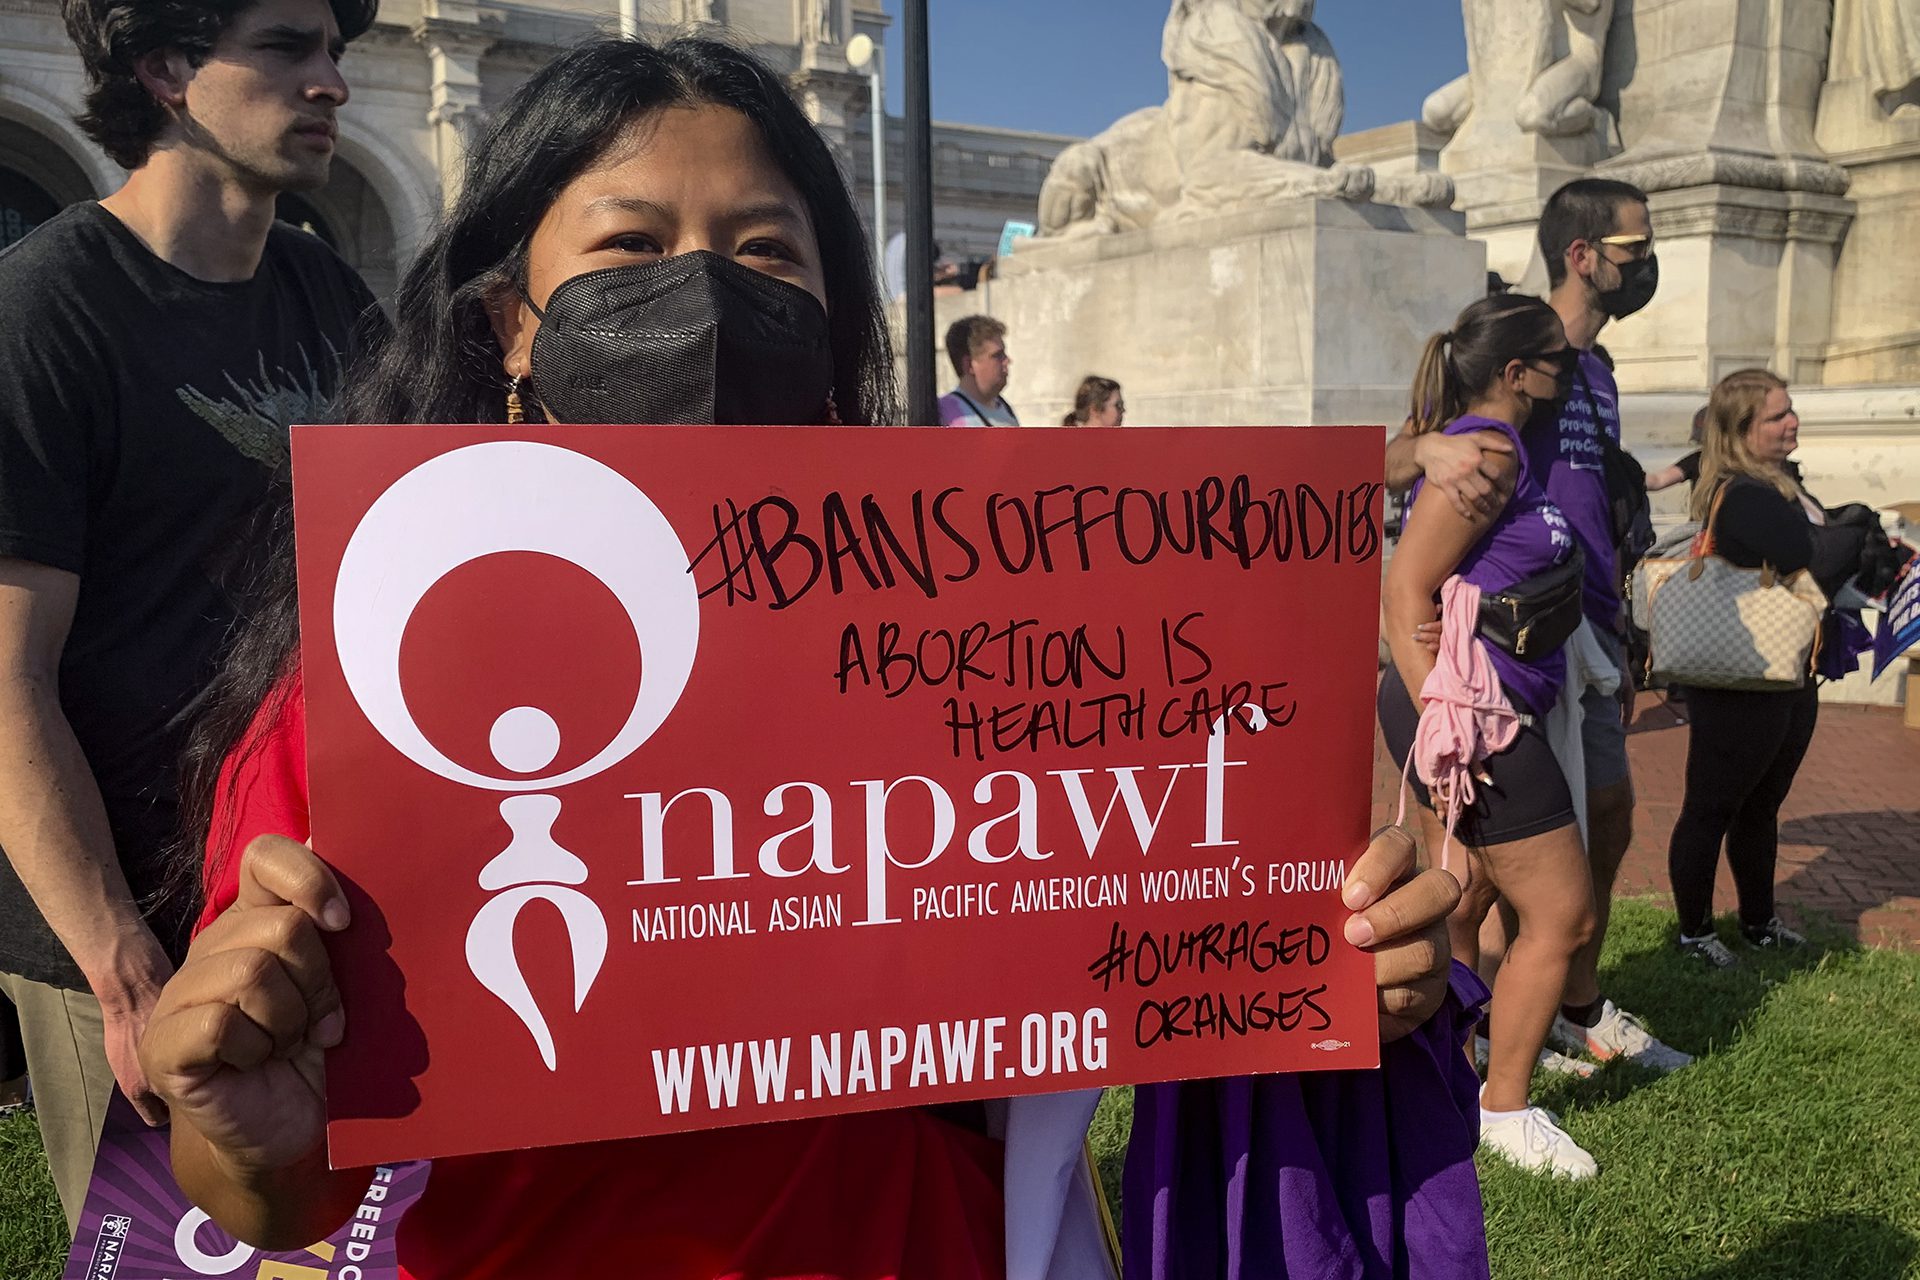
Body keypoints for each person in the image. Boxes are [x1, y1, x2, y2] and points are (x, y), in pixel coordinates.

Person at [136, 37, 1460, 1274]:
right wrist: (250, 1131)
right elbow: (275, 1192)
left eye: (766, 251)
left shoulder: (995, 649)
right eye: (631, 243)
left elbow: (1175, 948)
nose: (702, 290)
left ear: (833, 322)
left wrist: (1339, 958)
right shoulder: (370, 706)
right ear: (512, 325)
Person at [0, 0, 380, 1231]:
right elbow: (7, 676)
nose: (329, 83)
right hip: (123, 923)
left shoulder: (330, 294)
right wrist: (119, 967)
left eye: (335, 53)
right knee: (165, 1253)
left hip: (290, 890)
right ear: (166, 70)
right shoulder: (42, 307)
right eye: (285, 49)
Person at [1384, 177, 1690, 1075]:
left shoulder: (1594, 371)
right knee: (1488, 866)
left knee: (1607, 815)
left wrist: (1623, 628)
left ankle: (1568, 1005)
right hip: (1514, 649)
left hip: (1588, 626)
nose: (1647, 264)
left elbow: (1597, 502)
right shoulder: (1520, 354)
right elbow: (1400, 459)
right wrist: (1428, 448)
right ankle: (1476, 1036)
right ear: (1584, 255)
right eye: (1634, 249)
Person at [1374, 293, 1599, 1181]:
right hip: (1476, 715)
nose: (1565, 369)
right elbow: (1405, 593)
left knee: (1463, 899)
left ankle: (1455, 1075)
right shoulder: (1489, 452)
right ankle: (1504, 1109)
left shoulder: (1483, 445)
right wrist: (1451, 723)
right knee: (1563, 915)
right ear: (1517, 373)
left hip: (1481, 707)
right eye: (1554, 357)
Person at [1666, 371, 1866, 966]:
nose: (1792, 422)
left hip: (1787, 671)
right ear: (1741, 431)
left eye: (1791, 411)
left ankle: (1758, 922)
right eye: (1776, 416)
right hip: (1738, 677)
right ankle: (1694, 932)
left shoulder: (1784, 485)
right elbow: (1815, 556)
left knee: (1760, 807)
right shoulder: (1746, 493)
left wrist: (1849, 530)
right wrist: (1861, 526)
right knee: (1711, 805)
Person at [939, 315, 1021, 426]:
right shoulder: (945, 414)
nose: (1007, 361)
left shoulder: (1005, 408)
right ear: (969, 365)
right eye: (997, 355)